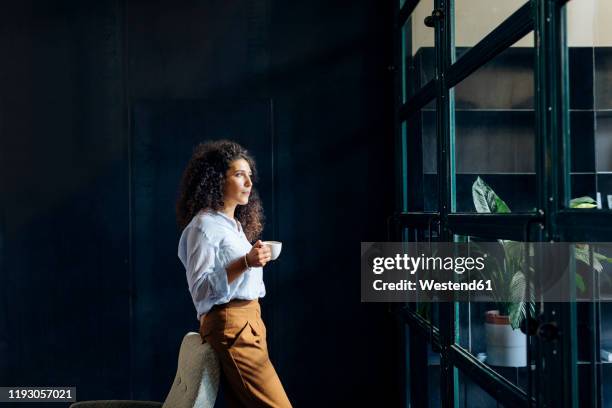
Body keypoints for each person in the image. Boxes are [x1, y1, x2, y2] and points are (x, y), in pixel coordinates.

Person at [175, 140, 292, 408]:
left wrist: (252, 260)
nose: (249, 182)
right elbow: (201, 290)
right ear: (217, 180)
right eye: (239, 175)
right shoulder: (202, 227)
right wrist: (246, 262)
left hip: (250, 323)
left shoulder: (233, 226)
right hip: (232, 325)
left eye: (250, 175)